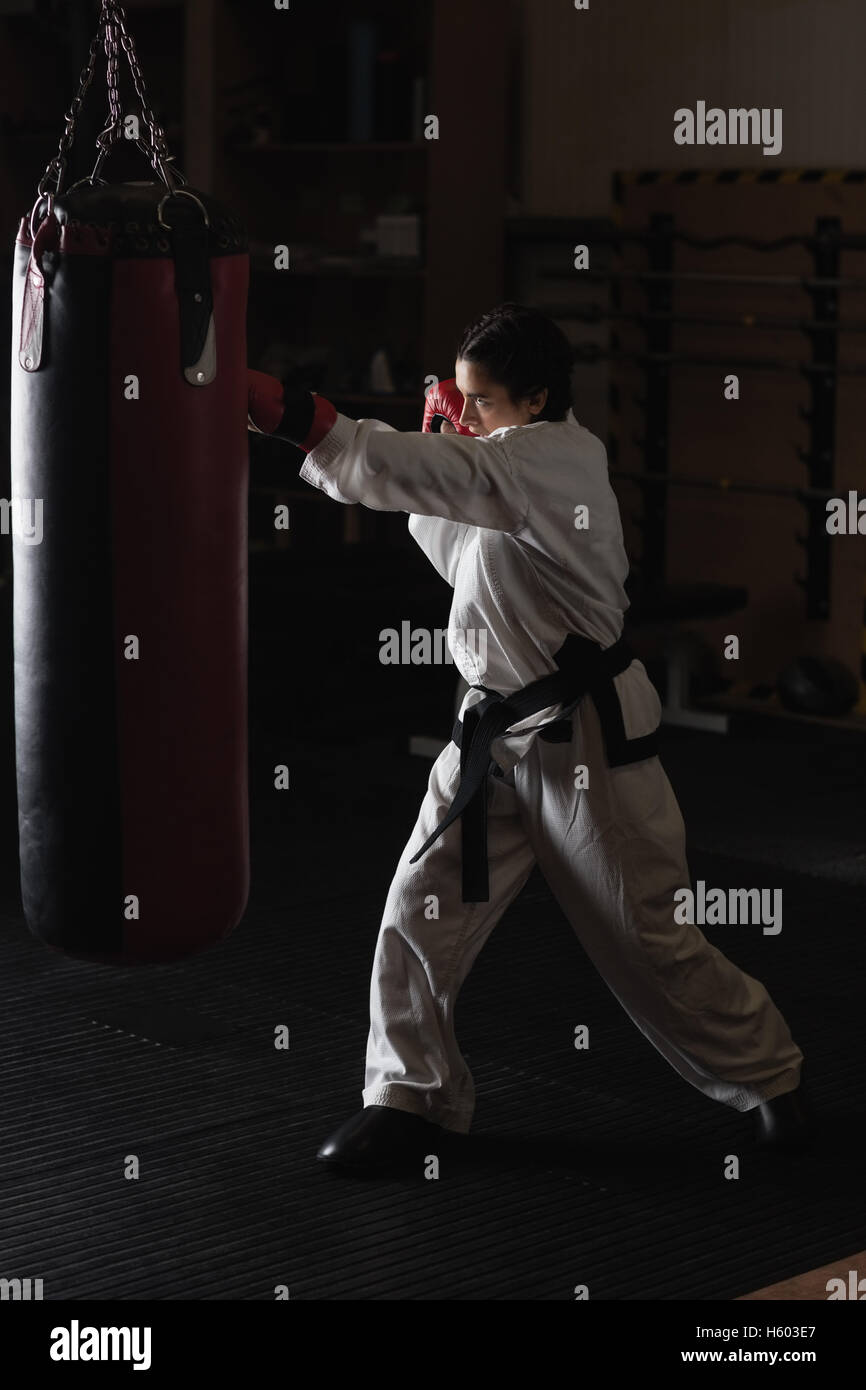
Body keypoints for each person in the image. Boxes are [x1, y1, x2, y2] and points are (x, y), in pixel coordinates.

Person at [247, 302, 811, 1177]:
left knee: (649, 943)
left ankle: (774, 1082)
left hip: (587, 741)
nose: (464, 415)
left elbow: (412, 469)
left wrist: (297, 416)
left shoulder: (553, 460)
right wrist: (447, 446)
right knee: (416, 912)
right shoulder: (503, 464)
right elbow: (451, 541)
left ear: (539, 397)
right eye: (459, 399)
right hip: (492, 735)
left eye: (480, 401)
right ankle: (410, 1099)